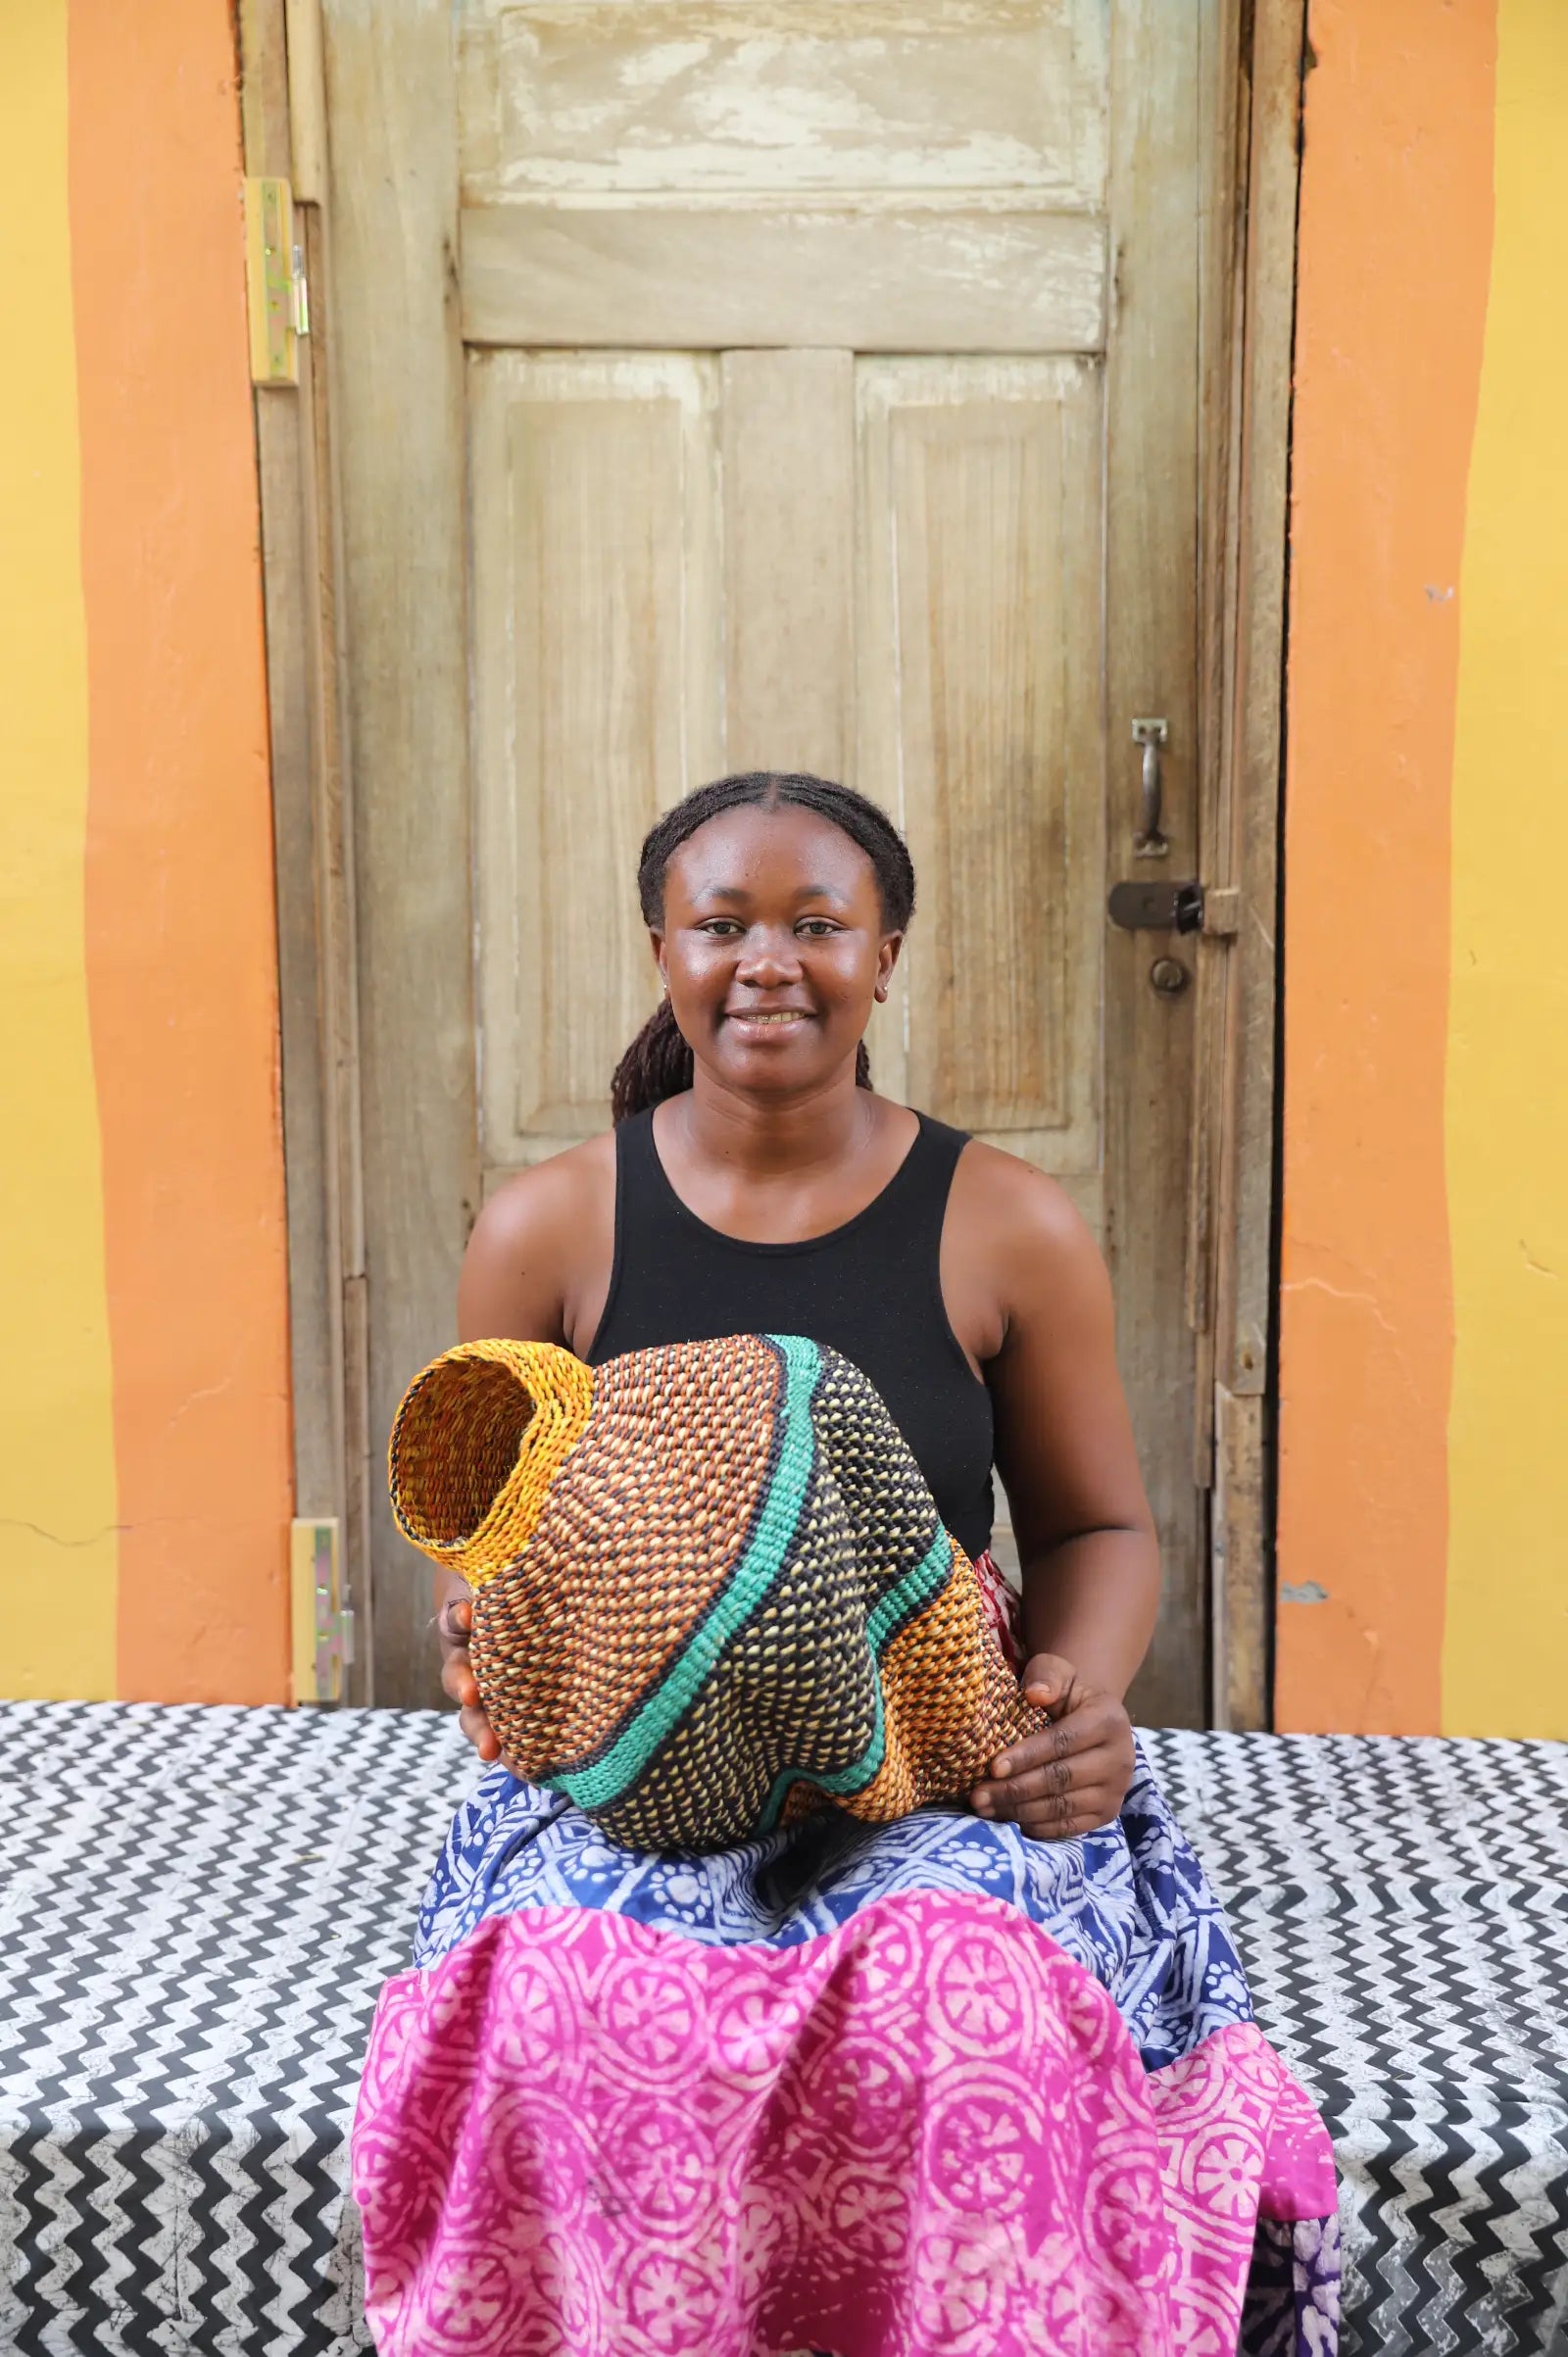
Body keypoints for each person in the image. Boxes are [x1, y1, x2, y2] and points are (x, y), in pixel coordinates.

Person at [354, 772, 1339, 2357]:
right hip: (640, 1750)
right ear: (662, 949)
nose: (769, 962)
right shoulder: (548, 1228)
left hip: (930, 1728)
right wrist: (484, 1639)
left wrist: (1071, 1702)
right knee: (565, 1988)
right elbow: (488, 1553)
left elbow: (1095, 1528)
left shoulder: (1007, 1224)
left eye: (818, 924)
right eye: (722, 924)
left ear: (886, 954)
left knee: (970, 1995)